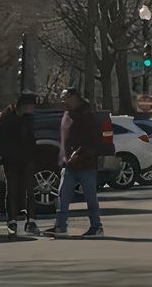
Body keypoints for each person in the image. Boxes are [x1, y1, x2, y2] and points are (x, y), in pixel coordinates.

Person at [52, 88, 103, 238]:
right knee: (63, 196)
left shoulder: (87, 116)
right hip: (68, 165)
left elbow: (94, 140)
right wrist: (63, 156)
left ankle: (96, 227)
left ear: (74, 98)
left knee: (90, 198)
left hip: (86, 165)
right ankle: (60, 226)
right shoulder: (67, 115)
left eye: (65, 99)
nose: (63, 102)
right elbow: (65, 139)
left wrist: (80, 153)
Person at [0, 93, 38, 237]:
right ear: (23, 106)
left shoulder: (28, 119)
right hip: (11, 160)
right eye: (31, 106)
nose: (33, 109)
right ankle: (12, 222)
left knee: (30, 190)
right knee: (12, 190)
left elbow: (31, 137)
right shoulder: (6, 118)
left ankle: (32, 221)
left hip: (26, 159)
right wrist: (1, 154)